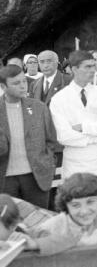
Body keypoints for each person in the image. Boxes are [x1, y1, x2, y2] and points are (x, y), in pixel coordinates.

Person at [49, 51, 97, 181]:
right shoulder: (59, 99)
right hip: (75, 165)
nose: (93, 70)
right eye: (87, 66)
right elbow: (63, 136)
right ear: (74, 69)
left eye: (93, 66)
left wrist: (83, 127)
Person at [0, 66, 58, 208]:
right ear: (3, 87)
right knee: (10, 220)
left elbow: (51, 140)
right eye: (16, 83)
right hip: (5, 180)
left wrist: (47, 163)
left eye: (24, 81)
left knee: (39, 219)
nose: (22, 86)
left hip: (36, 177)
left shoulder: (39, 108)